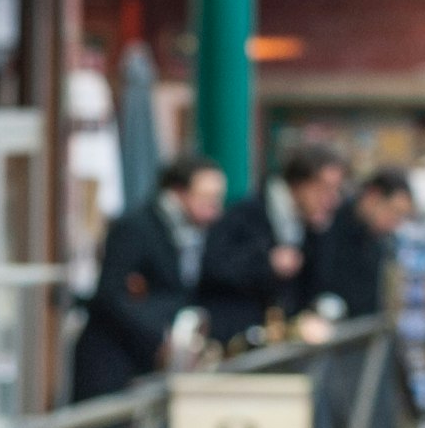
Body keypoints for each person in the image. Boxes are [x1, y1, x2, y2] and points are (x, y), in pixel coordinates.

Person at [71, 156, 222, 400]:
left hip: (150, 366)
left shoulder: (193, 235)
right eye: (206, 198)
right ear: (179, 192)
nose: (214, 208)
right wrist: (162, 336)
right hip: (113, 364)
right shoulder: (137, 227)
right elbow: (111, 294)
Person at [199, 146, 343, 343]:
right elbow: (214, 268)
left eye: (336, 190)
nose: (332, 199)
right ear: (299, 183)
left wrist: (320, 234)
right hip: (238, 339)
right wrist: (266, 263)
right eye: (324, 188)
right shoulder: (246, 214)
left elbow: (317, 283)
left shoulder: (312, 226)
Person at [310, 165, 415, 324]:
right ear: (373, 196)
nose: (395, 223)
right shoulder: (328, 225)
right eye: (394, 211)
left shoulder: (380, 242)